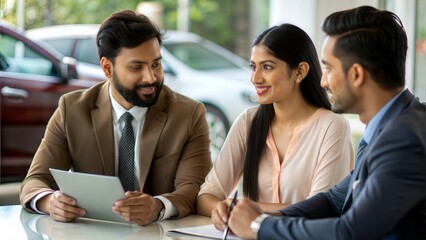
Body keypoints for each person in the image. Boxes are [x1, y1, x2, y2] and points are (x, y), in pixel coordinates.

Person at [227, 6, 426, 239]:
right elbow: (333, 200)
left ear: (356, 75)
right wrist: (256, 215)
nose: (322, 81)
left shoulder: (405, 138)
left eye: (328, 68)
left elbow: (350, 232)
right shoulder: (392, 125)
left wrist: (258, 228)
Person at [19, 10, 211, 226]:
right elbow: (35, 181)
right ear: (107, 68)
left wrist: (158, 206)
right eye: (136, 67)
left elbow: (195, 188)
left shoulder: (188, 114)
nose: (151, 77)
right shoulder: (71, 109)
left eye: (156, 64)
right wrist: (49, 201)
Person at [196, 23, 354, 228]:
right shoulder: (247, 122)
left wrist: (249, 210)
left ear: (300, 72)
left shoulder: (332, 126)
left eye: (267, 67)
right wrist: (222, 211)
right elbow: (207, 195)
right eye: (253, 66)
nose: (255, 78)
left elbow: (319, 210)